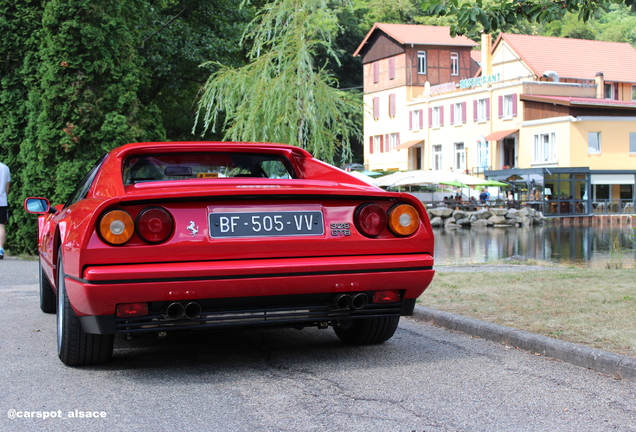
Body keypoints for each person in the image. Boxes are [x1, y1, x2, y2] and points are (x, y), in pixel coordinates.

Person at [0, 161, 10, 259]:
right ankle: (0, 249)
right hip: (2, 201)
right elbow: (7, 185)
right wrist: (5, 196)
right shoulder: (5, 168)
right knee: (1, 225)